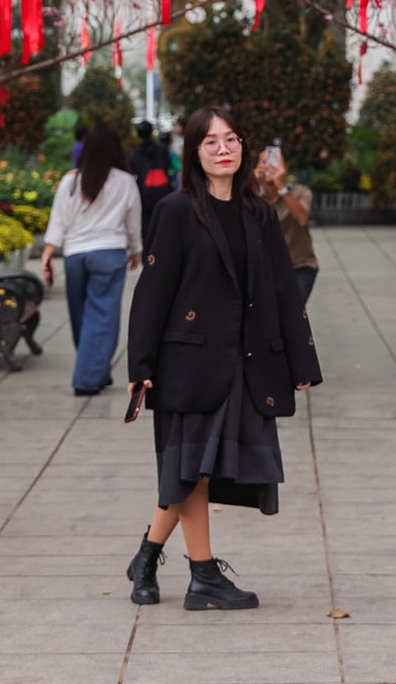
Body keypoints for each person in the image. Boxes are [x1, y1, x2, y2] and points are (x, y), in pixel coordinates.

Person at [124, 106, 322, 610]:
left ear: (244, 148)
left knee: (198, 468)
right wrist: (140, 367)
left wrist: (301, 362)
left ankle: (148, 557)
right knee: (193, 467)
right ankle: (203, 574)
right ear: (193, 152)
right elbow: (152, 292)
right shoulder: (173, 211)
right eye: (211, 142)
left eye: (231, 140)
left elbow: (282, 288)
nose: (223, 150)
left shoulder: (257, 211)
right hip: (186, 363)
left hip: (245, 362)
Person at [41, 123, 143, 397]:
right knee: (102, 317)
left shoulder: (70, 182)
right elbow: (133, 223)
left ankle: (97, 370)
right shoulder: (125, 181)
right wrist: (136, 250)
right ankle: (87, 378)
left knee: (82, 317)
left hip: (75, 257)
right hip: (109, 254)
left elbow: (58, 221)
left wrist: (48, 253)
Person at [253, 146, 317, 303]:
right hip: (265, 269)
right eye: (264, 163)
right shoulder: (251, 197)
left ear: (285, 168)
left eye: (275, 162)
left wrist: (281, 187)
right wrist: (251, 181)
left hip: (300, 266)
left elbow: (302, 218)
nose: (270, 167)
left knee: (293, 312)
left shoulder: (300, 192)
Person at [130, 119, 175, 223]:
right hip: (164, 190)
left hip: (144, 194)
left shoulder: (134, 154)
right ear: (151, 132)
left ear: (138, 134)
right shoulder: (163, 148)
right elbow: (168, 166)